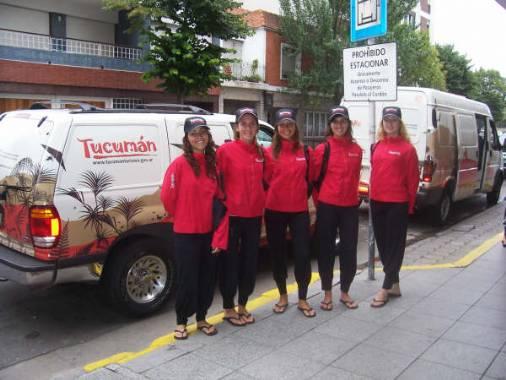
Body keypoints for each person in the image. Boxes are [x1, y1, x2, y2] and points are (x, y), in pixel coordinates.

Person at [160, 116, 220, 340]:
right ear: (187, 138)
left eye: (202, 132)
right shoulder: (179, 164)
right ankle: (181, 321)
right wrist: (183, 215)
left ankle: (202, 318)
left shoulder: (213, 164)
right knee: (187, 278)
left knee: (207, 278)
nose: (199, 137)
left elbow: (218, 197)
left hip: (209, 232)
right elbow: (167, 196)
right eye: (194, 133)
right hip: (186, 233)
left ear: (208, 136)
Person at [217, 107, 268, 326]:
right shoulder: (225, 151)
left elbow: (267, 181)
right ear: (237, 127)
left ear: (256, 128)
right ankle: (228, 308)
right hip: (232, 217)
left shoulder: (261, 153)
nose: (247, 127)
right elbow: (215, 182)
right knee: (230, 264)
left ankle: (243, 305)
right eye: (243, 124)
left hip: (254, 217)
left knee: (249, 264)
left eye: (251, 124)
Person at [264, 108, 315, 318]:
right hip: (274, 210)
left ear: (295, 127)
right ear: (276, 128)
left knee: (303, 255)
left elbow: (310, 180)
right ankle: (283, 295)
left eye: (290, 124)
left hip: (298, 211)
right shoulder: (267, 153)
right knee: (277, 255)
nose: (286, 128)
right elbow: (264, 181)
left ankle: (303, 298)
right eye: (282, 125)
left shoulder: (305, 151)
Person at [369, 106, 420, 308]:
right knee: (383, 246)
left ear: (400, 123)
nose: (390, 123)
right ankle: (396, 285)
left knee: (395, 246)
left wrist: (409, 205)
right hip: (377, 201)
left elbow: (413, 180)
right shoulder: (377, 146)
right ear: (383, 123)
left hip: (397, 203)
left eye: (394, 120)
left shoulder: (408, 149)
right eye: (387, 120)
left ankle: (385, 286)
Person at [313, 106, 363, 311]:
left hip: (350, 207)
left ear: (348, 124)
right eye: (335, 121)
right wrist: (320, 203)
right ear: (330, 125)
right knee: (325, 250)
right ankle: (326, 293)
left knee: (349, 250)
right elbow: (314, 179)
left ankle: (345, 291)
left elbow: (355, 178)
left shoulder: (357, 150)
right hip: (327, 206)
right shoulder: (323, 149)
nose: (339, 125)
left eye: (342, 121)